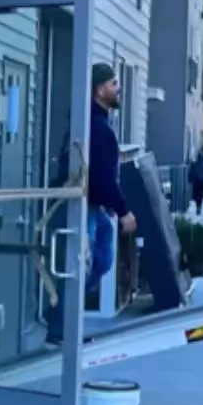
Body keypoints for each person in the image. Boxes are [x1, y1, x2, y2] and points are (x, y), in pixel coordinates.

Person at [45, 63, 137, 346]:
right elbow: (101, 175)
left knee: (100, 261)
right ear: (100, 90)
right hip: (81, 207)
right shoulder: (96, 128)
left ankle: (63, 319)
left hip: (95, 206)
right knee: (80, 266)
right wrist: (123, 210)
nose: (118, 88)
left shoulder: (97, 124)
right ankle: (61, 328)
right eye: (113, 84)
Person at [187, 150, 203, 215]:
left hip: (196, 181)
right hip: (201, 182)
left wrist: (190, 179)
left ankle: (198, 206)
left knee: (196, 194)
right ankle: (199, 207)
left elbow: (191, 172)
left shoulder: (195, 164)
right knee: (199, 194)